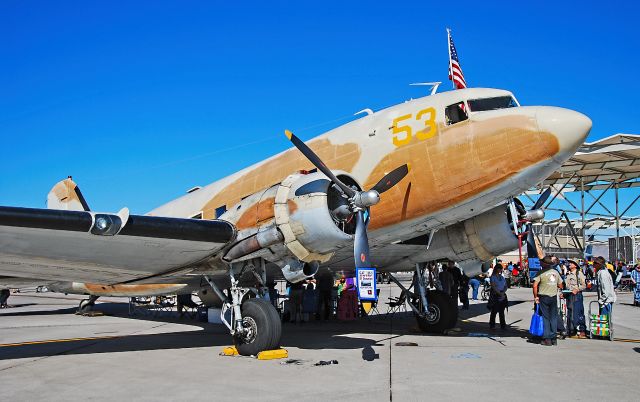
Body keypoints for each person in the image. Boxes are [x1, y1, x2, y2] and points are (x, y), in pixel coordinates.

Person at [533, 255, 563, 346]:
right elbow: (561, 285)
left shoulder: (540, 273)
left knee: (545, 317)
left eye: (541, 262)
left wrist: (535, 297)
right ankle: (554, 338)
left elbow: (535, 285)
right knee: (553, 317)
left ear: (544, 264)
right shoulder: (555, 272)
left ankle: (547, 338)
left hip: (544, 297)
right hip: (553, 297)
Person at [565, 260, 587, 338]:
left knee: (579, 313)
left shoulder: (579, 273)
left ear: (575, 265)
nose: (569, 264)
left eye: (571, 263)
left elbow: (584, 285)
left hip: (577, 295)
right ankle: (571, 330)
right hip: (569, 295)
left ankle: (582, 330)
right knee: (570, 313)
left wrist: (577, 289)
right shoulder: (568, 274)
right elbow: (567, 285)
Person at [488, 264, 508, 330]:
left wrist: (503, 292)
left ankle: (503, 325)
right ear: (496, 269)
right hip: (495, 296)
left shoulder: (502, 277)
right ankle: (492, 325)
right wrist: (499, 293)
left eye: (501, 268)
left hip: (502, 295)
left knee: (502, 312)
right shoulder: (493, 277)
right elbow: (493, 286)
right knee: (494, 311)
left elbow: (506, 286)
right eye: (499, 268)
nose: (500, 269)